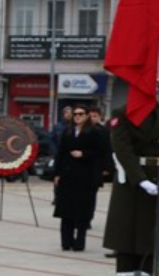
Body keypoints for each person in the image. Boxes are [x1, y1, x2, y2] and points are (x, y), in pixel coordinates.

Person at [103, 105, 159, 274]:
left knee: (150, 239)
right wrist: (141, 180)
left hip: (158, 175)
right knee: (126, 238)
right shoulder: (122, 113)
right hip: (131, 179)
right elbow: (122, 148)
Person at [53, 105, 104, 251]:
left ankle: (79, 242)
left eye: (81, 114)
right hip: (68, 174)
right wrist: (57, 173)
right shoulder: (67, 131)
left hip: (85, 175)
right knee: (66, 209)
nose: (77, 116)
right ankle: (66, 241)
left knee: (82, 210)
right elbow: (60, 153)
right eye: (75, 114)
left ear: (87, 115)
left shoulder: (94, 132)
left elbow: (99, 152)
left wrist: (84, 154)